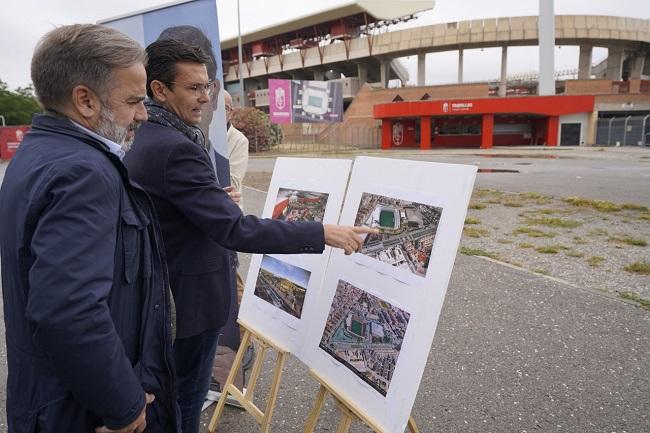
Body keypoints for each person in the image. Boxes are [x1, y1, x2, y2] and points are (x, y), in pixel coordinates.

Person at [124, 38, 373, 433]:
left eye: (208, 86)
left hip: (168, 298)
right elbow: (236, 229)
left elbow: (170, 209)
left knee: (175, 406)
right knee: (182, 411)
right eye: (193, 88)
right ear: (159, 89)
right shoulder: (175, 147)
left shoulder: (151, 136)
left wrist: (207, 201)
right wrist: (322, 232)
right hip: (188, 308)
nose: (206, 98)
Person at [0, 24, 179, 433]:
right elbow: (68, 309)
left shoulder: (38, 153)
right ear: (85, 100)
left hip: (52, 399)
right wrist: (124, 405)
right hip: (81, 411)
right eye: (134, 100)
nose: (143, 114)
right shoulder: (83, 171)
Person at [212, 90, 250, 392]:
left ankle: (245, 344)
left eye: (227, 107)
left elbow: (232, 183)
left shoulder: (237, 140)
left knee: (233, 282)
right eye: (218, 106)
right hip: (207, 218)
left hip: (228, 221)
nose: (222, 111)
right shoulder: (201, 134)